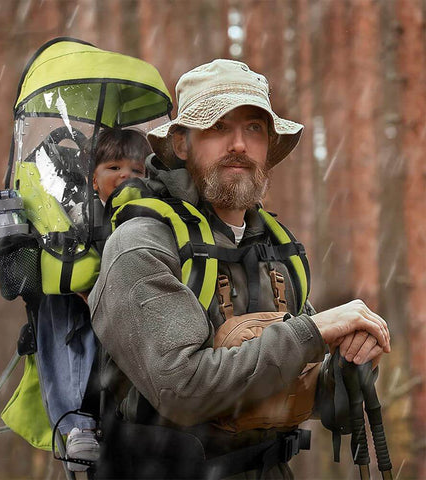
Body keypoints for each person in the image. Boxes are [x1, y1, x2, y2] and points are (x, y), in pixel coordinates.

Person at [88, 59, 390, 479]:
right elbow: (184, 389)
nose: (239, 145)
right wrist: (314, 332)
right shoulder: (141, 245)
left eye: (253, 128)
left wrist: (347, 365)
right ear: (181, 144)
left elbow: (308, 393)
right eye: (217, 127)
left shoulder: (277, 248)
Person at [35, 127, 151, 472]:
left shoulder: (153, 216)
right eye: (114, 168)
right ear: (93, 179)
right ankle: (76, 424)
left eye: (137, 170)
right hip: (83, 316)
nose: (126, 176)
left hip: (133, 319)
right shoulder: (80, 215)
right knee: (55, 311)